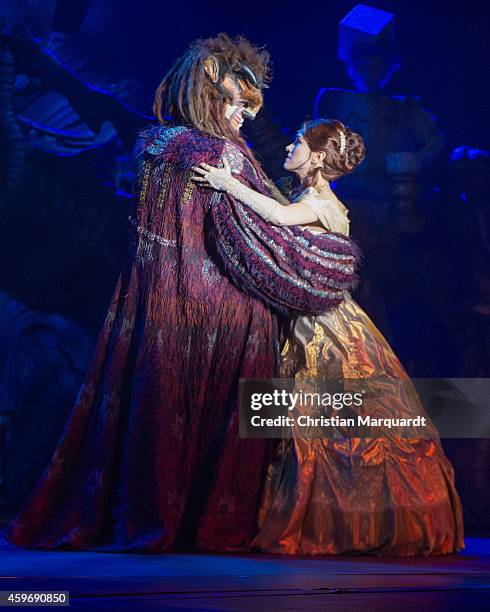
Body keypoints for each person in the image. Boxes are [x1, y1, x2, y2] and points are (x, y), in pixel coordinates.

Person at [3, 36, 359, 554]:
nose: (242, 117)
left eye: (247, 106)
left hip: (154, 306)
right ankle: (196, 521)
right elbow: (256, 239)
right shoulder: (217, 153)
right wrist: (329, 263)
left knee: (152, 409)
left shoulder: (157, 144)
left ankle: (143, 515)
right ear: (207, 97)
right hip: (219, 309)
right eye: (235, 104)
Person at [192, 118, 464, 556]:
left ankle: (334, 523)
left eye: (297, 142)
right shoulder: (307, 195)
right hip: (312, 319)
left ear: (317, 157)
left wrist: (226, 183)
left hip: (324, 328)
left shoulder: (321, 203)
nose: (289, 146)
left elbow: (278, 215)